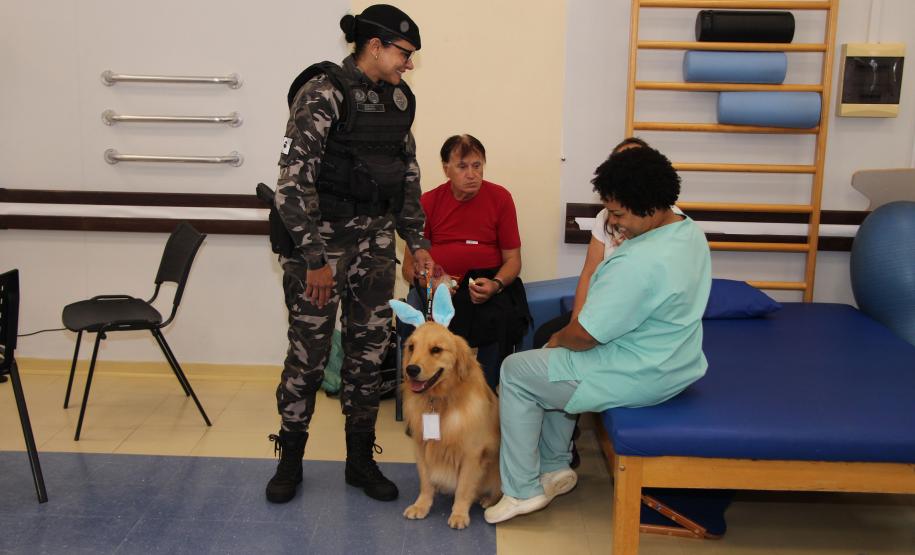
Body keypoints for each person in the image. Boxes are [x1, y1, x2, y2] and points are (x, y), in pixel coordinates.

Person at [484, 145, 712, 524]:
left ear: (649, 204)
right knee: (547, 364)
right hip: (675, 362)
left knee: (516, 371)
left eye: (620, 214)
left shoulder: (639, 261)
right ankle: (556, 467)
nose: (615, 225)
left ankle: (522, 490)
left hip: (639, 373)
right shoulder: (689, 233)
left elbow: (586, 335)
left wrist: (559, 340)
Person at [266, 4, 434, 505]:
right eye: (404, 53)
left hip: (375, 243)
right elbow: (292, 186)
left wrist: (417, 240)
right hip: (320, 246)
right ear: (375, 46)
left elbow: (407, 176)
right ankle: (290, 459)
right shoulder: (324, 94)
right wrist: (315, 259)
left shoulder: (400, 101)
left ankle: (360, 461)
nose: (409, 64)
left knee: (368, 352)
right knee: (309, 357)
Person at [402, 134, 529, 391]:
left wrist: (495, 284)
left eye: (477, 165)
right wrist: (431, 284)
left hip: (485, 283)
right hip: (438, 289)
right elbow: (408, 267)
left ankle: (485, 393)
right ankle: (427, 397)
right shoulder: (428, 202)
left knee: (500, 317)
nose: (472, 174)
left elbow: (513, 260)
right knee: (414, 319)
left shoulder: (500, 198)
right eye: (462, 166)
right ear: (446, 168)